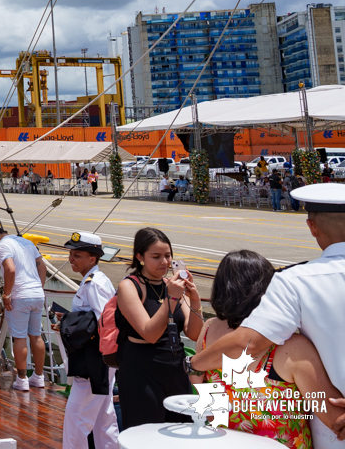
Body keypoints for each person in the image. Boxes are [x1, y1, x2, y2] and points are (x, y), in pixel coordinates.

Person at [192, 183, 345, 448]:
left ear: (312, 227)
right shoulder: (293, 350)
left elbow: (246, 344)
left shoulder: (297, 281)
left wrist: (193, 364)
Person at [115, 227, 203, 429]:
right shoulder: (130, 286)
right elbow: (150, 333)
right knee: (145, 433)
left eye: (168, 255)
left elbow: (194, 333)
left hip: (175, 368)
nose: (164, 262)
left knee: (180, 430)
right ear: (140, 257)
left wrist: (195, 301)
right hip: (142, 368)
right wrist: (172, 298)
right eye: (156, 256)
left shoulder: (171, 285)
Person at [59, 233, 118, 449]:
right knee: (104, 417)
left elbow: (106, 322)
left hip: (94, 360)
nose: (71, 258)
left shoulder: (94, 284)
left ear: (92, 259)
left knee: (76, 419)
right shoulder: (92, 280)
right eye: (71, 254)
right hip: (100, 358)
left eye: (77, 255)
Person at [0, 225, 47, 390]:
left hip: (20, 296)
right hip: (37, 294)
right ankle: (39, 377)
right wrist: (38, 288)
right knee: (36, 336)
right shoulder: (27, 242)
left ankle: (22, 379)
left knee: (20, 338)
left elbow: (10, 269)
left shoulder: (2, 245)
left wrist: (6, 296)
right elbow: (42, 266)